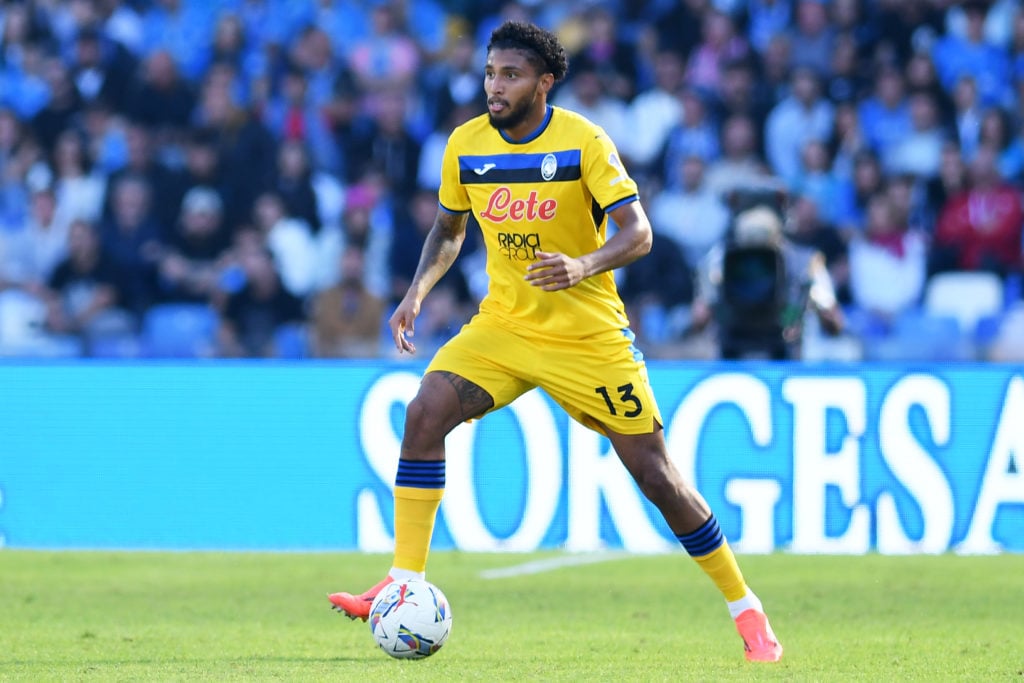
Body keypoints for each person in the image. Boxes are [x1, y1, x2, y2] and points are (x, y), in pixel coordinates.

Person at [328, 21, 784, 663]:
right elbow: (448, 230)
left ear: (544, 83)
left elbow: (639, 234)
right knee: (424, 413)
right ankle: (403, 581)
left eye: (510, 75)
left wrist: (582, 264)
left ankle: (747, 609)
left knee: (656, 474)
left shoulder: (584, 142)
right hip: (506, 326)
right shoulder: (465, 144)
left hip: (587, 336)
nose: (494, 86)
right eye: (489, 73)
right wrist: (416, 292)